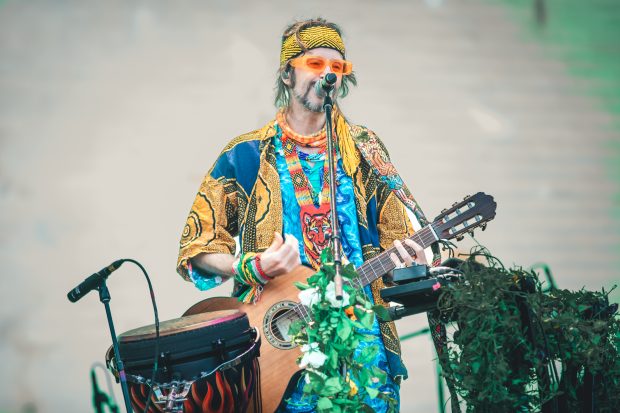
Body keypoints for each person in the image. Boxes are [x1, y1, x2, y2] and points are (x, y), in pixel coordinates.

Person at [177, 17, 439, 412]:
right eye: (315, 64)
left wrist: (414, 258)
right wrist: (252, 265)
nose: (328, 74)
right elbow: (197, 248)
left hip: (362, 345)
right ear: (287, 73)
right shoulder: (246, 155)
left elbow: (398, 237)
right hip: (279, 348)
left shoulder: (363, 149)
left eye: (337, 67)